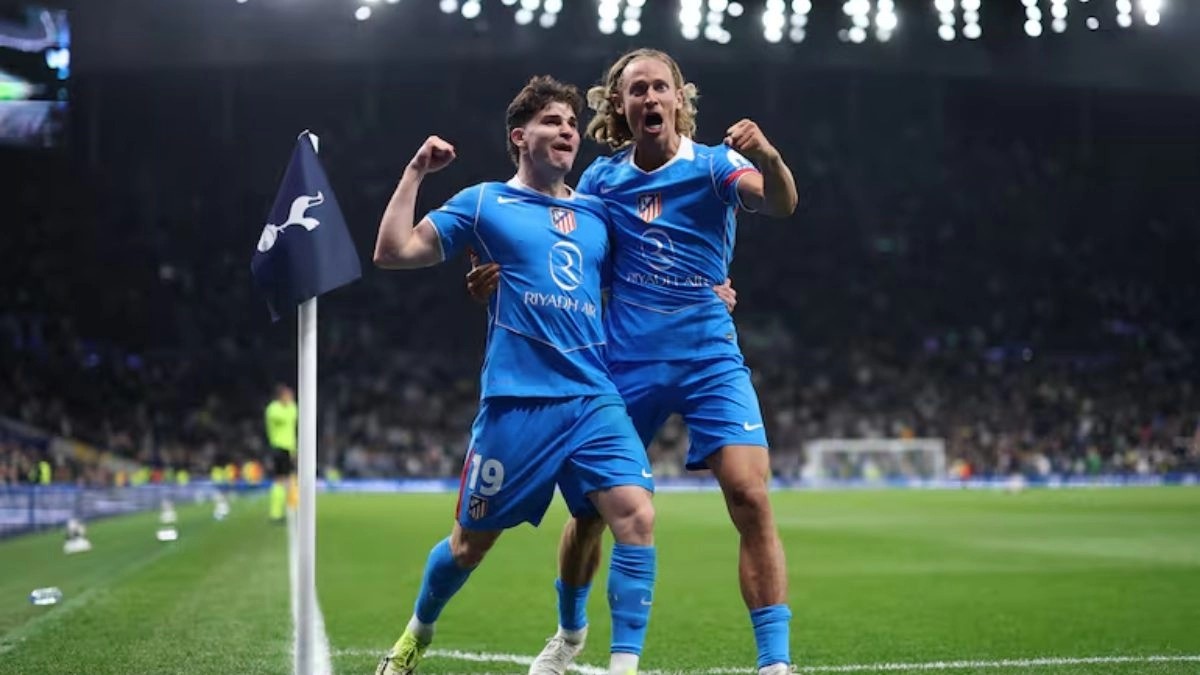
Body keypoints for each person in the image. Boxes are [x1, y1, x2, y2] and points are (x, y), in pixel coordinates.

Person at [468, 48, 799, 675]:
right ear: (619, 105)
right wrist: (502, 276)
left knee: (750, 496)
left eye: (660, 87)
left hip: (709, 358)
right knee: (590, 513)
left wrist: (770, 156)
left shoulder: (715, 165)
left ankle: (775, 663)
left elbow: (780, 203)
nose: (650, 98)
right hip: (625, 360)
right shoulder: (601, 182)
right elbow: (562, 248)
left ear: (679, 98)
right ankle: (569, 633)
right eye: (637, 89)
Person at [371, 75, 657, 675]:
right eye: (553, 121)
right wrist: (416, 171)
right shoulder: (484, 203)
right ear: (520, 137)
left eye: (573, 124)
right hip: (517, 403)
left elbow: (635, 286)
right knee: (468, 547)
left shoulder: (597, 214)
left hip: (592, 397)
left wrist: (709, 291)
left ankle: (601, 655)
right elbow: (393, 251)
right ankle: (417, 633)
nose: (568, 131)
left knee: (634, 515)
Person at [264, 384, 298, 522]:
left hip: (290, 448)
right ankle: (275, 513)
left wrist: (294, 450)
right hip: (279, 447)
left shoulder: (291, 407)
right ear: (281, 396)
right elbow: (286, 417)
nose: (290, 398)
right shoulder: (273, 409)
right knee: (280, 480)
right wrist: (289, 406)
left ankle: (290, 507)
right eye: (288, 395)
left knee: (290, 479)